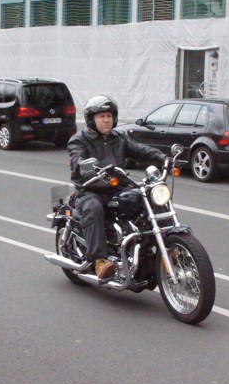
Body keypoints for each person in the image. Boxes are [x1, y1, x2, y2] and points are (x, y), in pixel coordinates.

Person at [68, 95, 167, 280]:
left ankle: (161, 244)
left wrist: (163, 158)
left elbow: (140, 149)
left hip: (117, 187)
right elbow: (76, 158)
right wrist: (85, 167)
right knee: (93, 207)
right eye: (101, 116)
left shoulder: (120, 137)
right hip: (91, 189)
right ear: (91, 120)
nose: (106, 120)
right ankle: (99, 260)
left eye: (109, 116)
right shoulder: (79, 139)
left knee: (146, 197)